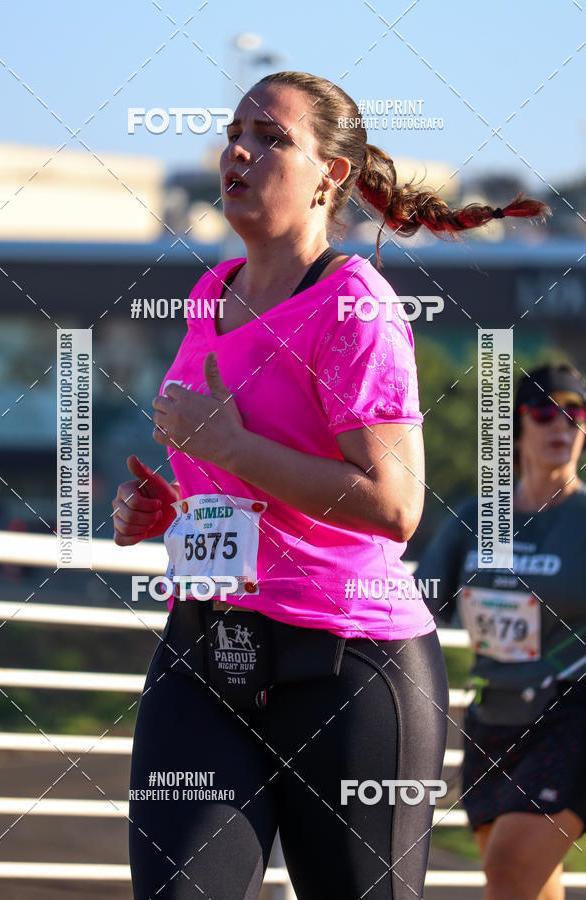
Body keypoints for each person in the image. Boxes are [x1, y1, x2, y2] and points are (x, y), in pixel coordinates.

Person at [112, 70, 550, 900]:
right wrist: (166, 506)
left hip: (349, 668)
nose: (239, 151)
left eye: (272, 138)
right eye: (235, 134)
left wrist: (231, 447)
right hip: (207, 649)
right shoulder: (209, 292)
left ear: (330, 175)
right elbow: (233, 469)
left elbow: (395, 504)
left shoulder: (355, 303)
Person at [415, 362, 586, 900]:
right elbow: (417, 606)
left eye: (575, 413)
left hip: (571, 714)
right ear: (516, 426)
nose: (561, 425)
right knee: (524, 882)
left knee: (510, 869)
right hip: (493, 718)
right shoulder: (476, 519)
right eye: (544, 411)